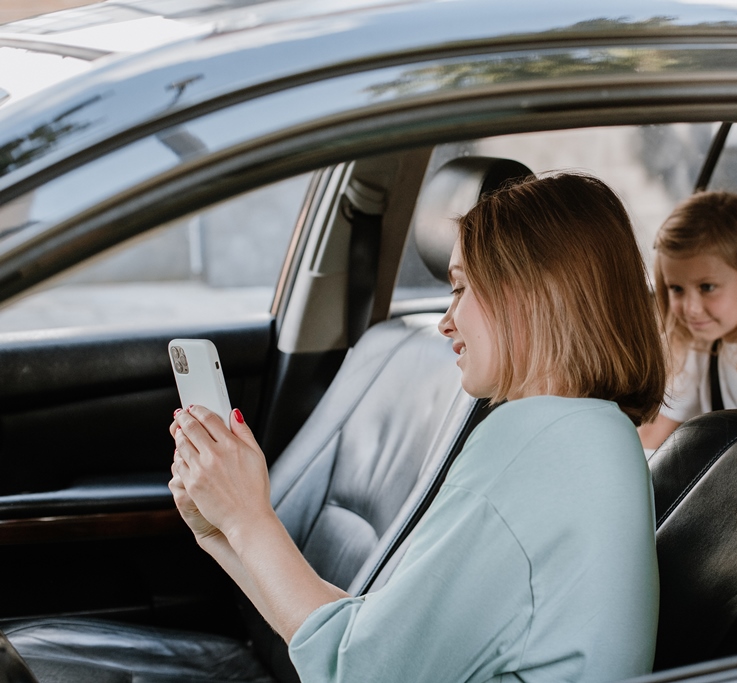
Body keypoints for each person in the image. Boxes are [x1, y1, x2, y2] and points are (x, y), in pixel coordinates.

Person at [168, 172, 667, 683]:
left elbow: (360, 670)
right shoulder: (591, 438)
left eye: (462, 287)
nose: (446, 320)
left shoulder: (535, 446)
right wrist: (224, 530)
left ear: (532, 293)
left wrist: (249, 518)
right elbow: (376, 639)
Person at [638, 190, 737, 453]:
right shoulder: (694, 346)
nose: (690, 309)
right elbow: (652, 437)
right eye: (676, 289)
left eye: (707, 287)